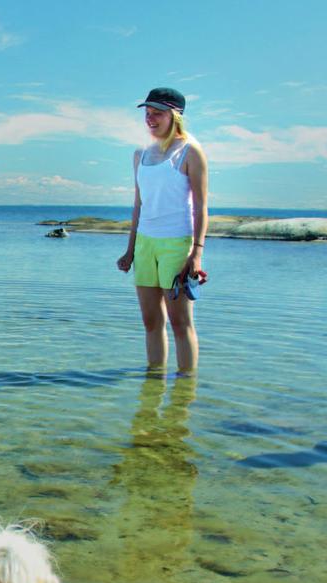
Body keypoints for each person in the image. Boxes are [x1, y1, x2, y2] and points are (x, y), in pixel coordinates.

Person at [117, 88, 208, 374]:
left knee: (180, 323)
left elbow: (201, 206)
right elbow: (138, 204)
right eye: (147, 113)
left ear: (175, 115)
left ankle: (184, 393)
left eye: (157, 113)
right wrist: (130, 250)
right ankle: (153, 383)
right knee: (150, 321)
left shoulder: (190, 152)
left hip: (176, 244)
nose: (150, 119)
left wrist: (196, 254)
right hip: (145, 244)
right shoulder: (140, 155)